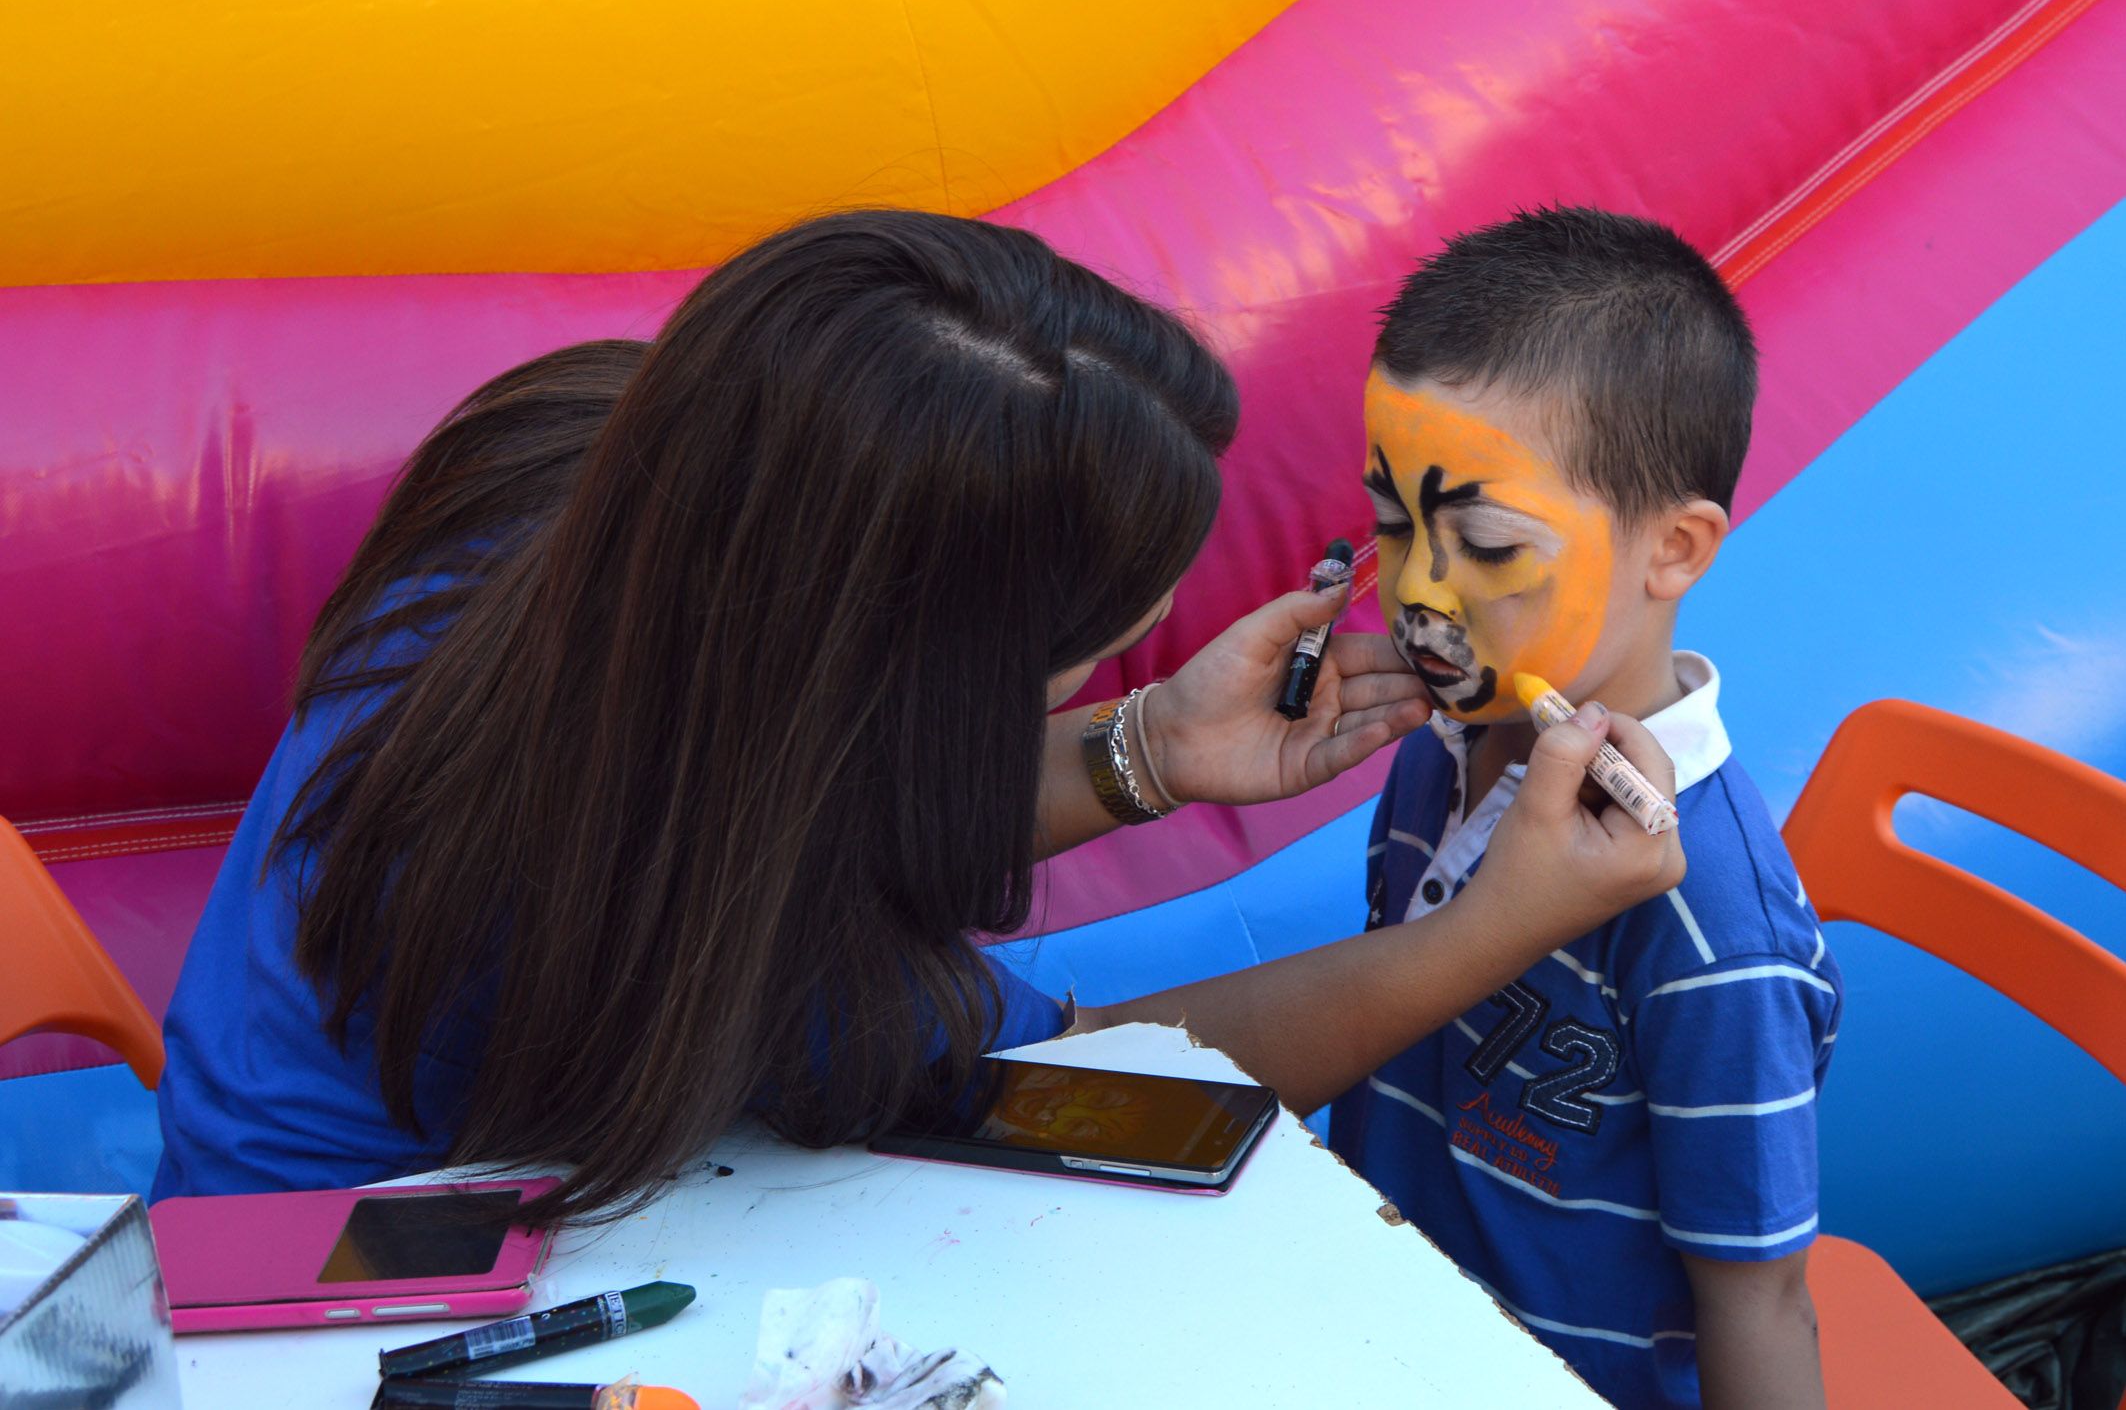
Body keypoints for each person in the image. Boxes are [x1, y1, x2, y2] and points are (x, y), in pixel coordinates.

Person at [153, 209, 1682, 1233]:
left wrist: (1143, 747)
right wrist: (1489, 930)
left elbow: (789, 782)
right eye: (1080, 658)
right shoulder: (678, 931)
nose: (1111, 668)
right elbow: (1095, 1090)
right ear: (915, 678)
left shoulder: (569, 476)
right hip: (327, 1312)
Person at [1305, 208, 1843, 1410]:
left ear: (1674, 549)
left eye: (1484, 544)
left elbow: (1756, 1299)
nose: (1415, 590)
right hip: (1355, 1320)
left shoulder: (1712, 931)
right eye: (1393, 523)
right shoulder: (1437, 751)